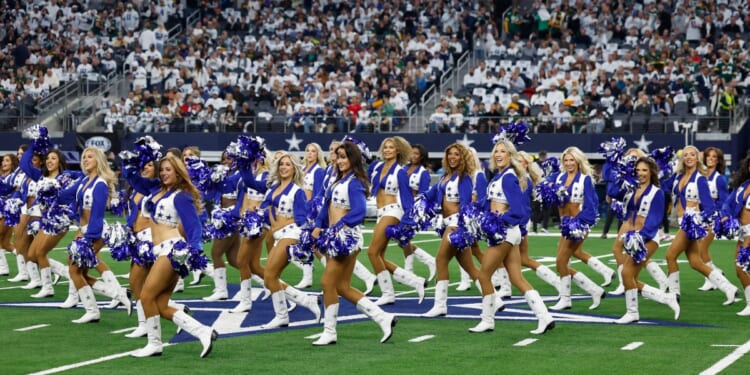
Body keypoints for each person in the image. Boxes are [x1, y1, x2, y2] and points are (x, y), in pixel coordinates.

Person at [311, 141, 396, 345]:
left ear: (353, 159)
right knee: (342, 286)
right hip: (334, 236)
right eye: (338, 157)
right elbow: (326, 208)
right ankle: (383, 317)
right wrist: (317, 226)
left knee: (327, 283)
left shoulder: (356, 182)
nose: (340, 161)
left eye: (344, 157)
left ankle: (330, 332)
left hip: (346, 238)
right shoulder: (337, 181)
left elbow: (359, 212)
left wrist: (338, 225)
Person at [131, 154, 216, 358]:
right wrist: (134, 161)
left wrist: (194, 251)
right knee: (159, 304)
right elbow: (135, 179)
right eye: (162, 170)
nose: (164, 173)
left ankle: (154, 344)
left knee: (146, 296)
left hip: (171, 249)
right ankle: (203, 331)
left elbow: (193, 225)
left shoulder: (181, 195)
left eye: (168, 170)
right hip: (158, 250)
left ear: (178, 172)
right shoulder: (156, 190)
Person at [470, 140, 555, 334]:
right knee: (516, 277)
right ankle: (545, 317)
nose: (498, 154)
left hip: (505, 232)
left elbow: (520, 211)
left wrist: (497, 220)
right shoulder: (500, 176)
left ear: (510, 155)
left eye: (503, 151)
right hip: (509, 232)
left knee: (483, 275)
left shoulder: (509, 177)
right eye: (496, 151)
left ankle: (487, 320)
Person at [60, 147, 130, 323]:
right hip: (82, 230)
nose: (85, 159)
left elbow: (98, 215)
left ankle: (94, 309)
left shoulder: (100, 184)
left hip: (94, 232)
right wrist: (52, 186)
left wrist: (87, 239)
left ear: (98, 160)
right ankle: (117, 294)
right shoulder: (84, 180)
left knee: (75, 271)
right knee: (77, 271)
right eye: (83, 157)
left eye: (89, 157)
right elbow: (64, 195)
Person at [664, 146, 737, 305]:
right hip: (683, 221)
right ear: (682, 159)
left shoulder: (700, 179)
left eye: (693, 154)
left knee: (670, 256)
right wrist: (660, 166)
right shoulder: (678, 176)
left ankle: (674, 294)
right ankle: (728, 288)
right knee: (696, 262)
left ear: (697, 158)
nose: (689, 157)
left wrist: (699, 221)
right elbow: (663, 186)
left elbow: (709, 206)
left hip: (692, 222)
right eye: (686, 155)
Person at [611, 157, 680, 324]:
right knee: (629, 277)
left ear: (651, 172)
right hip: (633, 237)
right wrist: (621, 175)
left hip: (648, 238)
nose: (640, 173)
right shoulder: (632, 189)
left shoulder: (657, 193)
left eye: (644, 170)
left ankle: (633, 312)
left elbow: (655, 219)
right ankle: (666, 298)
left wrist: (641, 236)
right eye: (638, 170)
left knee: (627, 273)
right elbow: (613, 192)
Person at [423, 143, 487, 317]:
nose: (452, 157)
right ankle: (493, 299)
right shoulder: (446, 176)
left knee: (440, 260)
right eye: (450, 154)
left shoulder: (464, 178)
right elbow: (432, 195)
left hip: (456, 224)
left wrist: (462, 227)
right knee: (470, 268)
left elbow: (466, 203)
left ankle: (440, 305)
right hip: (446, 222)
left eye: (457, 154)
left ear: (463, 157)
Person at [259, 152, 322, 328]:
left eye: (288, 164)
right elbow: (265, 211)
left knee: (271, 275)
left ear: (294, 168)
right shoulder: (273, 188)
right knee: (268, 277)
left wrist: (281, 225)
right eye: (281, 164)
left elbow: (301, 219)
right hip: (278, 235)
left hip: (291, 235)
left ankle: (282, 316)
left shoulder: (298, 191)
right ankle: (307, 300)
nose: (284, 167)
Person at [367, 137, 425, 305]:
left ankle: (388, 293)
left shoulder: (400, 172)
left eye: (391, 147)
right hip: (380, 212)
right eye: (385, 147)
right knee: (380, 257)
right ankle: (416, 282)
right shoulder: (377, 167)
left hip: (392, 212)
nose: (387, 150)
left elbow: (407, 200)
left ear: (398, 150)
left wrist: (407, 222)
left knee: (372, 252)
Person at [549, 147, 606, 311]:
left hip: (578, 225)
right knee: (561, 263)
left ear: (578, 161)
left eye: (571, 160)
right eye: (566, 160)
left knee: (560, 261)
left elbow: (591, 206)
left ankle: (566, 299)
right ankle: (594, 290)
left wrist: (579, 223)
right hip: (565, 225)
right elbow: (543, 187)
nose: (568, 163)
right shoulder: (559, 177)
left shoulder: (585, 180)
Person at [516, 151, 562, 292]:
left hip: (518, 221)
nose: (517, 163)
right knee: (522, 259)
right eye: (516, 160)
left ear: (526, 164)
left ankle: (502, 288)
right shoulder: (519, 177)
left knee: (504, 257)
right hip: (520, 220)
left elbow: (520, 204)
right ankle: (556, 281)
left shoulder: (524, 179)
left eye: (521, 161)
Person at [400, 144, 436, 281]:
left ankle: (409, 270)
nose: (413, 156)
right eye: (411, 153)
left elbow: (423, 194)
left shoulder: (423, 173)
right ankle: (429, 261)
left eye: (416, 153)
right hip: (400, 206)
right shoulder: (403, 169)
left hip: (412, 209)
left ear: (421, 156)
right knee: (401, 239)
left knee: (403, 238)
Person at [720, 154, 750, 315]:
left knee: (741, 267)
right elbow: (728, 203)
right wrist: (725, 215)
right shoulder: (744, 186)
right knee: (739, 268)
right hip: (742, 232)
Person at [696, 147, 729, 292]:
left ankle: (711, 280)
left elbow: (725, 201)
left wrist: (718, 216)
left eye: (714, 157)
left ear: (718, 160)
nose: (710, 158)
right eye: (708, 156)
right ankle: (716, 275)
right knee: (701, 251)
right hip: (700, 217)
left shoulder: (719, 179)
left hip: (713, 218)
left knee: (701, 249)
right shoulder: (699, 176)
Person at [294, 143, 326, 289]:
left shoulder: (318, 171)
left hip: (311, 213)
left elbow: (318, 195)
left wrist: (309, 210)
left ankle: (331, 271)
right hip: (300, 211)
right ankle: (307, 277)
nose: (310, 153)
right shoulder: (301, 169)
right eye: (307, 150)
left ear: (318, 154)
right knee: (306, 244)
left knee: (315, 246)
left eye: (313, 151)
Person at [0, 154, 20, 276]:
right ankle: (46, 265)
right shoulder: (3, 176)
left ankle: (3, 268)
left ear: (13, 163)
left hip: (7, 211)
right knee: (6, 244)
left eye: (7, 161)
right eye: (3, 161)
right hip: (3, 210)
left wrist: (7, 197)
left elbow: (17, 191)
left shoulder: (13, 177)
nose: (4, 163)